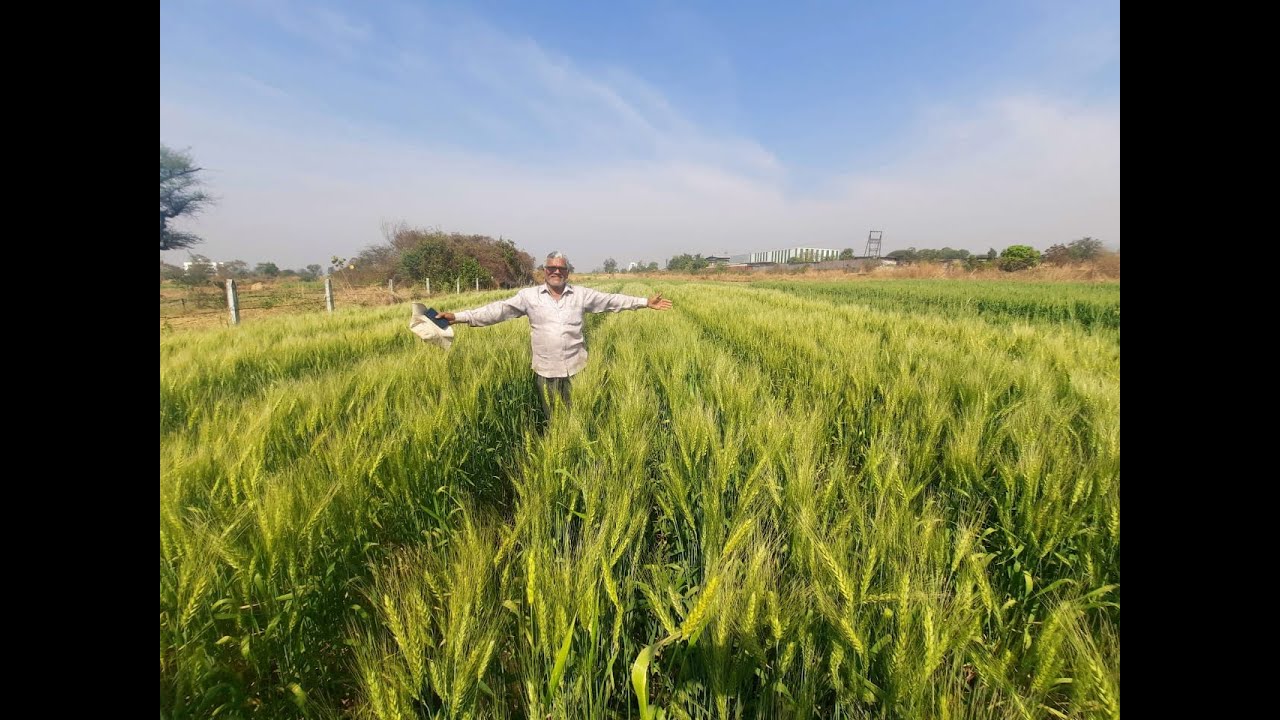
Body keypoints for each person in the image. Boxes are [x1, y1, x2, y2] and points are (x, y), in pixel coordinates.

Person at [440, 251, 673, 418]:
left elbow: (611, 300)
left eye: (561, 268)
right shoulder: (529, 296)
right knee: (554, 420)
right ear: (544, 271)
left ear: (568, 273)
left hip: (577, 370)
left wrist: (644, 302)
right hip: (546, 371)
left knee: (578, 417)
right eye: (552, 268)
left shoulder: (580, 295)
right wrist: (459, 317)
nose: (556, 272)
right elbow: (497, 311)